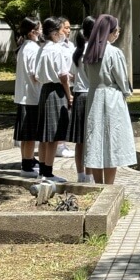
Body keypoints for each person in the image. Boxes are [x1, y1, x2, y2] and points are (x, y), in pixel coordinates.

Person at [83, 14, 137, 184]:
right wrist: (126, 92)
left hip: (94, 96)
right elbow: (121, 78)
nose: (117, 33)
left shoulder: (89, 51)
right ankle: (109, 185)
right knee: (111, 141)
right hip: (111, 97)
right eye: (116, 30)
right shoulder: (114, 52)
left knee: (96, 141)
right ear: (110, 31)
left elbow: (86, 75)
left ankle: (98, 184)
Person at [34, 17, 72, 182]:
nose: (63, 33)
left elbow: (36, 74)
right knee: (54, 136)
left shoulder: (42, 48)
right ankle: (48, 173)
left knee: (44, 136)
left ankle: (43, 170)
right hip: (56, 91)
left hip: (44, 91)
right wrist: (69, 94)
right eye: (61, 30)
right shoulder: (56, 49)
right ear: (55, 33)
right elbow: (63, 76)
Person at [13, 17, 42, 178]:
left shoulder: (23, 47)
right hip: (32, 97)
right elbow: (36, 75)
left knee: (26, 134)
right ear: (33, 31)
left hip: (24, 96)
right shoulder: (33, 49)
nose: (42, 31)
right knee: (30, 134)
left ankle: (29, 160)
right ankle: (26, 165)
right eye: (40, 28)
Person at [68, 16, 95, 183]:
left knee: (79, 140)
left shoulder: (78, 50)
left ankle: (80, 175)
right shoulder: (94, 50)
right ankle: (90, 175)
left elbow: (71, 75)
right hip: (91, 95)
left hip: (79, 94)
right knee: (90, 138)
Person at [55, 16, 76, 159]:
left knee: (67, 114)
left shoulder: (71, 45)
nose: (68, 31)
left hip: (71, 83)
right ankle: (59, 145)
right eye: (66, 28)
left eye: (69, 28)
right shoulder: (57, 46)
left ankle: (62, 144)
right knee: (61, 115)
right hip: (61, 83)